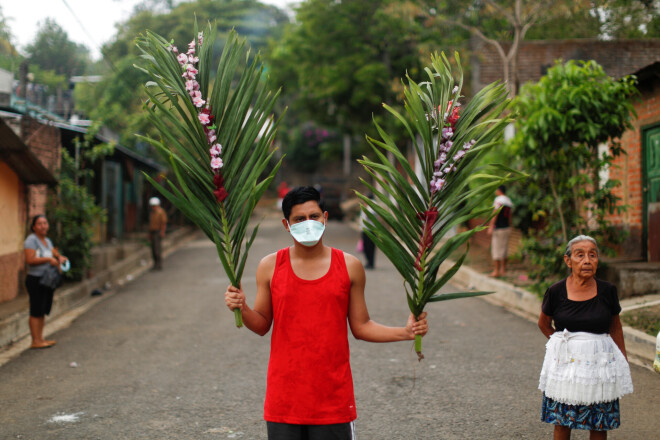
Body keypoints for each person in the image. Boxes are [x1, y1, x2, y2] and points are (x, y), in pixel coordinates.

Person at [224, 186, 428, 440]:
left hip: (333, 401)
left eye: (314, 216)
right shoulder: (270, 266)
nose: (308, 223)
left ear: (325, 218)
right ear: (287, 225)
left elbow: (362, 326)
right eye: (299, 219)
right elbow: (263, 324)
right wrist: (242, 308)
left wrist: (406, 332)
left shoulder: (350, 266)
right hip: (284, 401)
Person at [537, 235, 633, 439]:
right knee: (562, 420)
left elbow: (615, 327)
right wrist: (561, 346)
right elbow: (544, 324)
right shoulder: (556, 291)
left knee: (598, 422)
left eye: (592, 255)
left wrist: (622, 360)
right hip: (566, 368)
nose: (587, 260)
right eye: (580, 255)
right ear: (568, 261)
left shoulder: (608, 291)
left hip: (600, 365)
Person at [24, 215, 68, 349]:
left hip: (47, 280)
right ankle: (35, 340)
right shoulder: (31, 240)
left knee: (43, 310)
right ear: (34, 227)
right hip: (36, 279)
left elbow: (53, 254)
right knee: (35, 310)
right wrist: (48, 260)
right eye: (39, 224)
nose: (43, 226)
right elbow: (30, 260)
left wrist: (60, 258)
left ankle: (40, 338)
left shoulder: (47, 241)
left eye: (45, 223)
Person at [487, 185, 513, 277]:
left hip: (499, 229)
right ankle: (503, 270)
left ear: (499, 190)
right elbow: (510, 216)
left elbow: (495, 214)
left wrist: (490, 227)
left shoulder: (498, 200)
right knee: (504, 250)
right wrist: (510, 226)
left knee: (496, 250)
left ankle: (496, 271)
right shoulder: (509, 201)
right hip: (506, 228)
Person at [149, 197, 167, 270]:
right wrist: (149, 234)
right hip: (152, 232)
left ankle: (159, 264)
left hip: (157, 232)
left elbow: (163, 223)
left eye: (154, 205)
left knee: (157, 249)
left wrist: (162, 231)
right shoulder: (152, 213)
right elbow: (150, 224)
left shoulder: (160, 212)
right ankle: (155, 263)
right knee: (153, 249)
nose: (153, 207)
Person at [359, 194, 376, 269]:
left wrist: (365, 206)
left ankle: (371, 263)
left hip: (370, 230)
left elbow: (370, 214)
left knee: (370, 247)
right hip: (365, 229)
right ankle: (369, 262)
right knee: (366, 247)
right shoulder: (366, 205)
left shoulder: (372, 205)